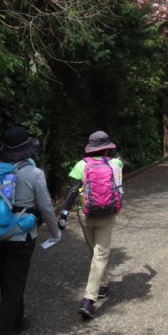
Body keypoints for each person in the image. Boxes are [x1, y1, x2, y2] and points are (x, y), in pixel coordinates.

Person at [0, 127, 61, 335]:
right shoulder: (33, 173)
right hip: (19, 238)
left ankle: (17, 320)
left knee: (8, 280)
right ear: (27, 150)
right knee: (13, 287)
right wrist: (55, 232)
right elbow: (46, 206)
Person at [60, 130, 123, 319]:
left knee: (95, 253)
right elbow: (120, 171)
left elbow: (73, 190)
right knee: (100, 254)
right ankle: (89, 299)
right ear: (106, 149)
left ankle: (101, 287)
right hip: (107, 215)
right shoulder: (115, 163)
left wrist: (64, 212)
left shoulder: (81, 165)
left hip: (85, 214)